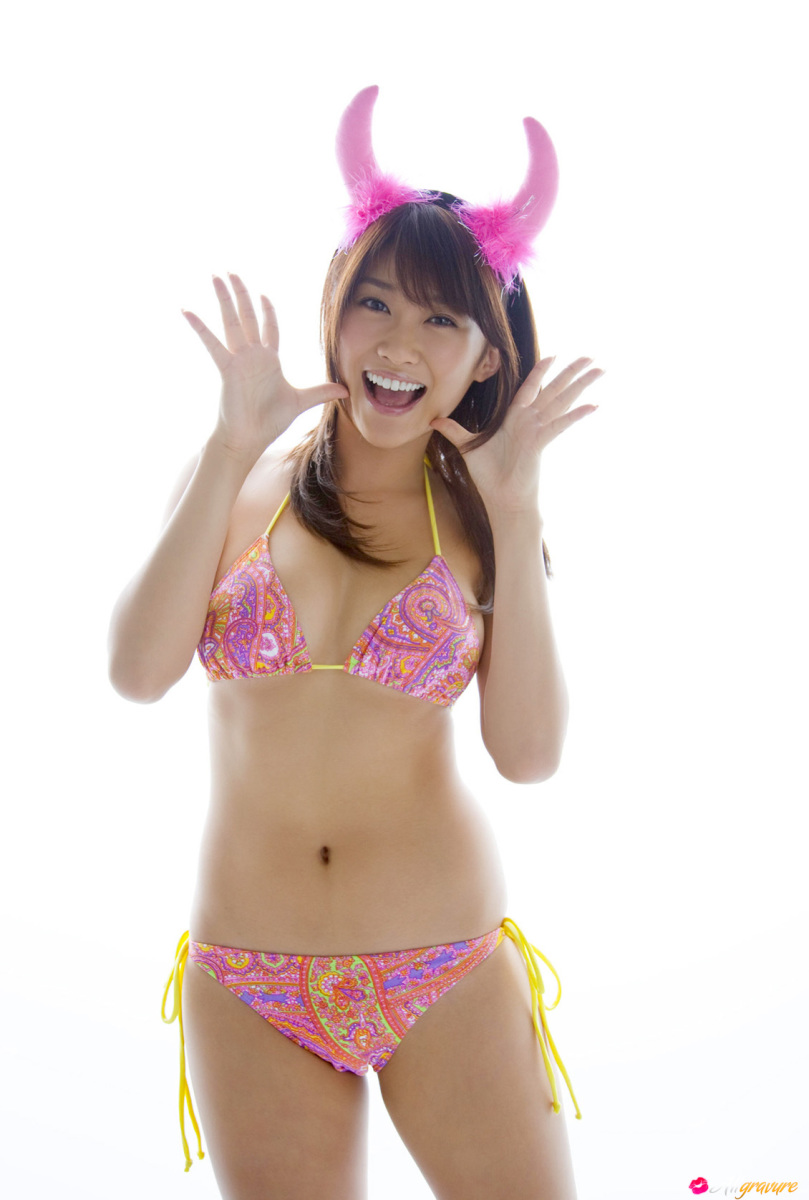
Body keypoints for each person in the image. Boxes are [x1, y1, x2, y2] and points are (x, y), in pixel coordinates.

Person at [108, 85, 603, 1200]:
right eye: (373, 303)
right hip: (249, 975)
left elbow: (527, 756)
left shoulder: (485, 515)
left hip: (442, 965)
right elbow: (136, 673)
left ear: (484, 359)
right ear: (333, 311)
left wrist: (516, 511)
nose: (396, 343)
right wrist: (227, 443)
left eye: (440, 321)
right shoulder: (240, 477)